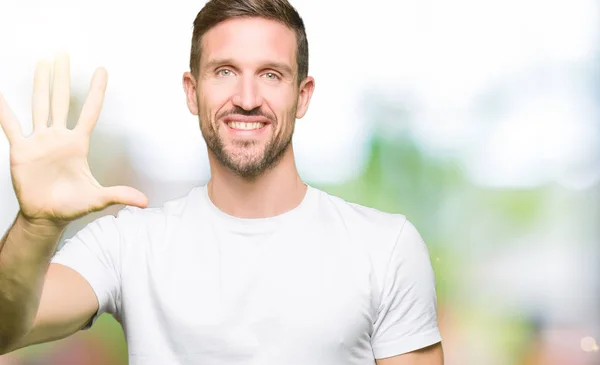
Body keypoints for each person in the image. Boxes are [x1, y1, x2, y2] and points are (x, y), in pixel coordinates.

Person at [0, 0, 444, 364]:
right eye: (225, 71)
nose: (247, 99)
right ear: (192, 91)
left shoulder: (385, 247)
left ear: (302, 95)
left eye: (271, 75)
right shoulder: (128, 246)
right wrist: (37, 226)